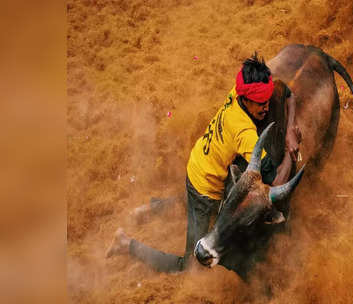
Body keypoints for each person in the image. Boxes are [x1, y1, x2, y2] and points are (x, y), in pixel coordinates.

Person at [106, 52, 301, 273]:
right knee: (189, 267)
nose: (265, 108)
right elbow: (275, 181)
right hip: (205, 188)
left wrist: (290, 128)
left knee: (203, 200)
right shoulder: (245, 134)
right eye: (259, 104)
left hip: (201, 161)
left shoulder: (238, 90)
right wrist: (289, 150)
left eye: (267, 100)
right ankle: (125, 244)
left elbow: (287, 92)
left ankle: (148, 210)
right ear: (246, 98)